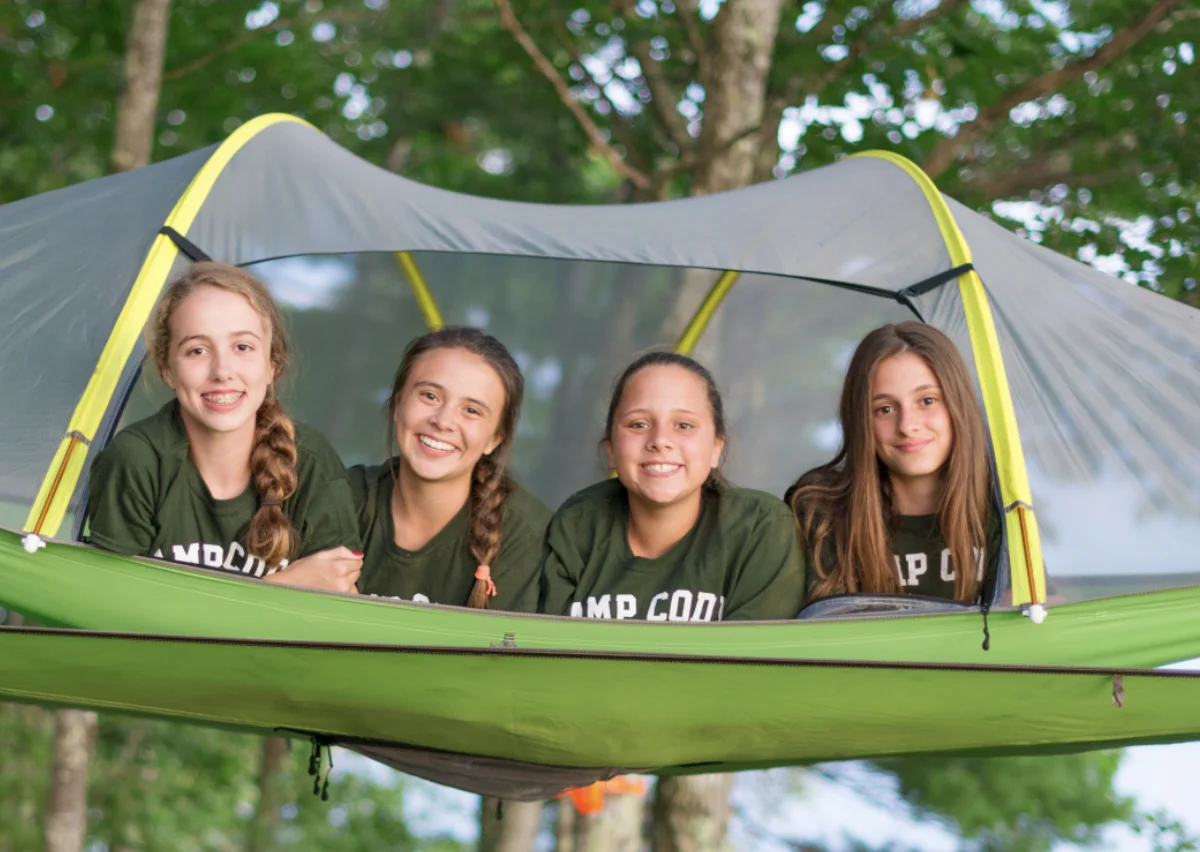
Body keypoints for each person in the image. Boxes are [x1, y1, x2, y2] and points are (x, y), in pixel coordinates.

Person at [87, 262, 363, 592]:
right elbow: (113, 608)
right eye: (197, 350)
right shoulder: (136, 461)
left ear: (271, 364)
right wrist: (276, 587)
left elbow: (338, 605)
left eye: (242, 347)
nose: (222, 371)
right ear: (168, 370)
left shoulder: (310, 460)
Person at [540, 352, 805, 622]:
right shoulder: (577, 525)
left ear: (716, 447)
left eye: (684, 425)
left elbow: (753, 661)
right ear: (610, 447)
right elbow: (543, 656)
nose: (660, 440)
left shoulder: (760, 527)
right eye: (638, 424)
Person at [786, 321, 1001, 603]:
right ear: (861, 421)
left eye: (927, 400)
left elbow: (1034, 612)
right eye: (884, 409)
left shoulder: (1000, 505)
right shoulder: (819, 511)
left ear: (958, 405)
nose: (907, 425)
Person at [349, 327, 550, 610]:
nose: (443, 421)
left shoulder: (526, 534)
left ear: (494, 438)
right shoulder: (342, 497)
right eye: (430, 396)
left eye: (471, 410)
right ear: (397, 404)